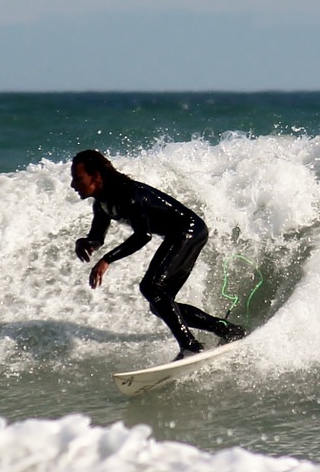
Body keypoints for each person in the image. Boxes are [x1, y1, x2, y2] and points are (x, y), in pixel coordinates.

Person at [70, 149, 246, 360]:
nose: (73, 184)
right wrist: (86, 243)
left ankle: (190, 345)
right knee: (160, 303)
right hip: (179, 234)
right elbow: (97, 238)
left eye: (78, 178)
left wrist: (107, 259)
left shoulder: (126, 194)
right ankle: (228, 330)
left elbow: (143, 236)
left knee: (151, 288)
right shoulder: (102, 204)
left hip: (189, 231)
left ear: (96, 176)